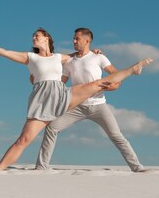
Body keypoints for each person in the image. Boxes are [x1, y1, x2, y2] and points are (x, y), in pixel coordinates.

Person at [0, 28, 153, 170]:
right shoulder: (34, 57)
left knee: (100, 86)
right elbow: (4, 52)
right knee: (30, 137)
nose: (34, 38)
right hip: (53, 100)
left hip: (79, 99)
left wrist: (96, 54)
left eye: (37, 35)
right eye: (33, 36)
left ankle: (133, 69)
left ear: (47, 38)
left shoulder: (66, 57)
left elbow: (88, 62)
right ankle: (12, 169)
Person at [34, 28, 145, 172]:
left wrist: (114, 86)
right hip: (76, 105)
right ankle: (41, 167)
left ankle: (137, 167)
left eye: (77, 39)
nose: (74, 41)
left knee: (116, 136)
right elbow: (60, 82)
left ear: (87, 41)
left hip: (98, 106)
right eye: (73, 38)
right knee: (52, 128)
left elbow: (117, 75)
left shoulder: (99, 57)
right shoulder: (70, 61)